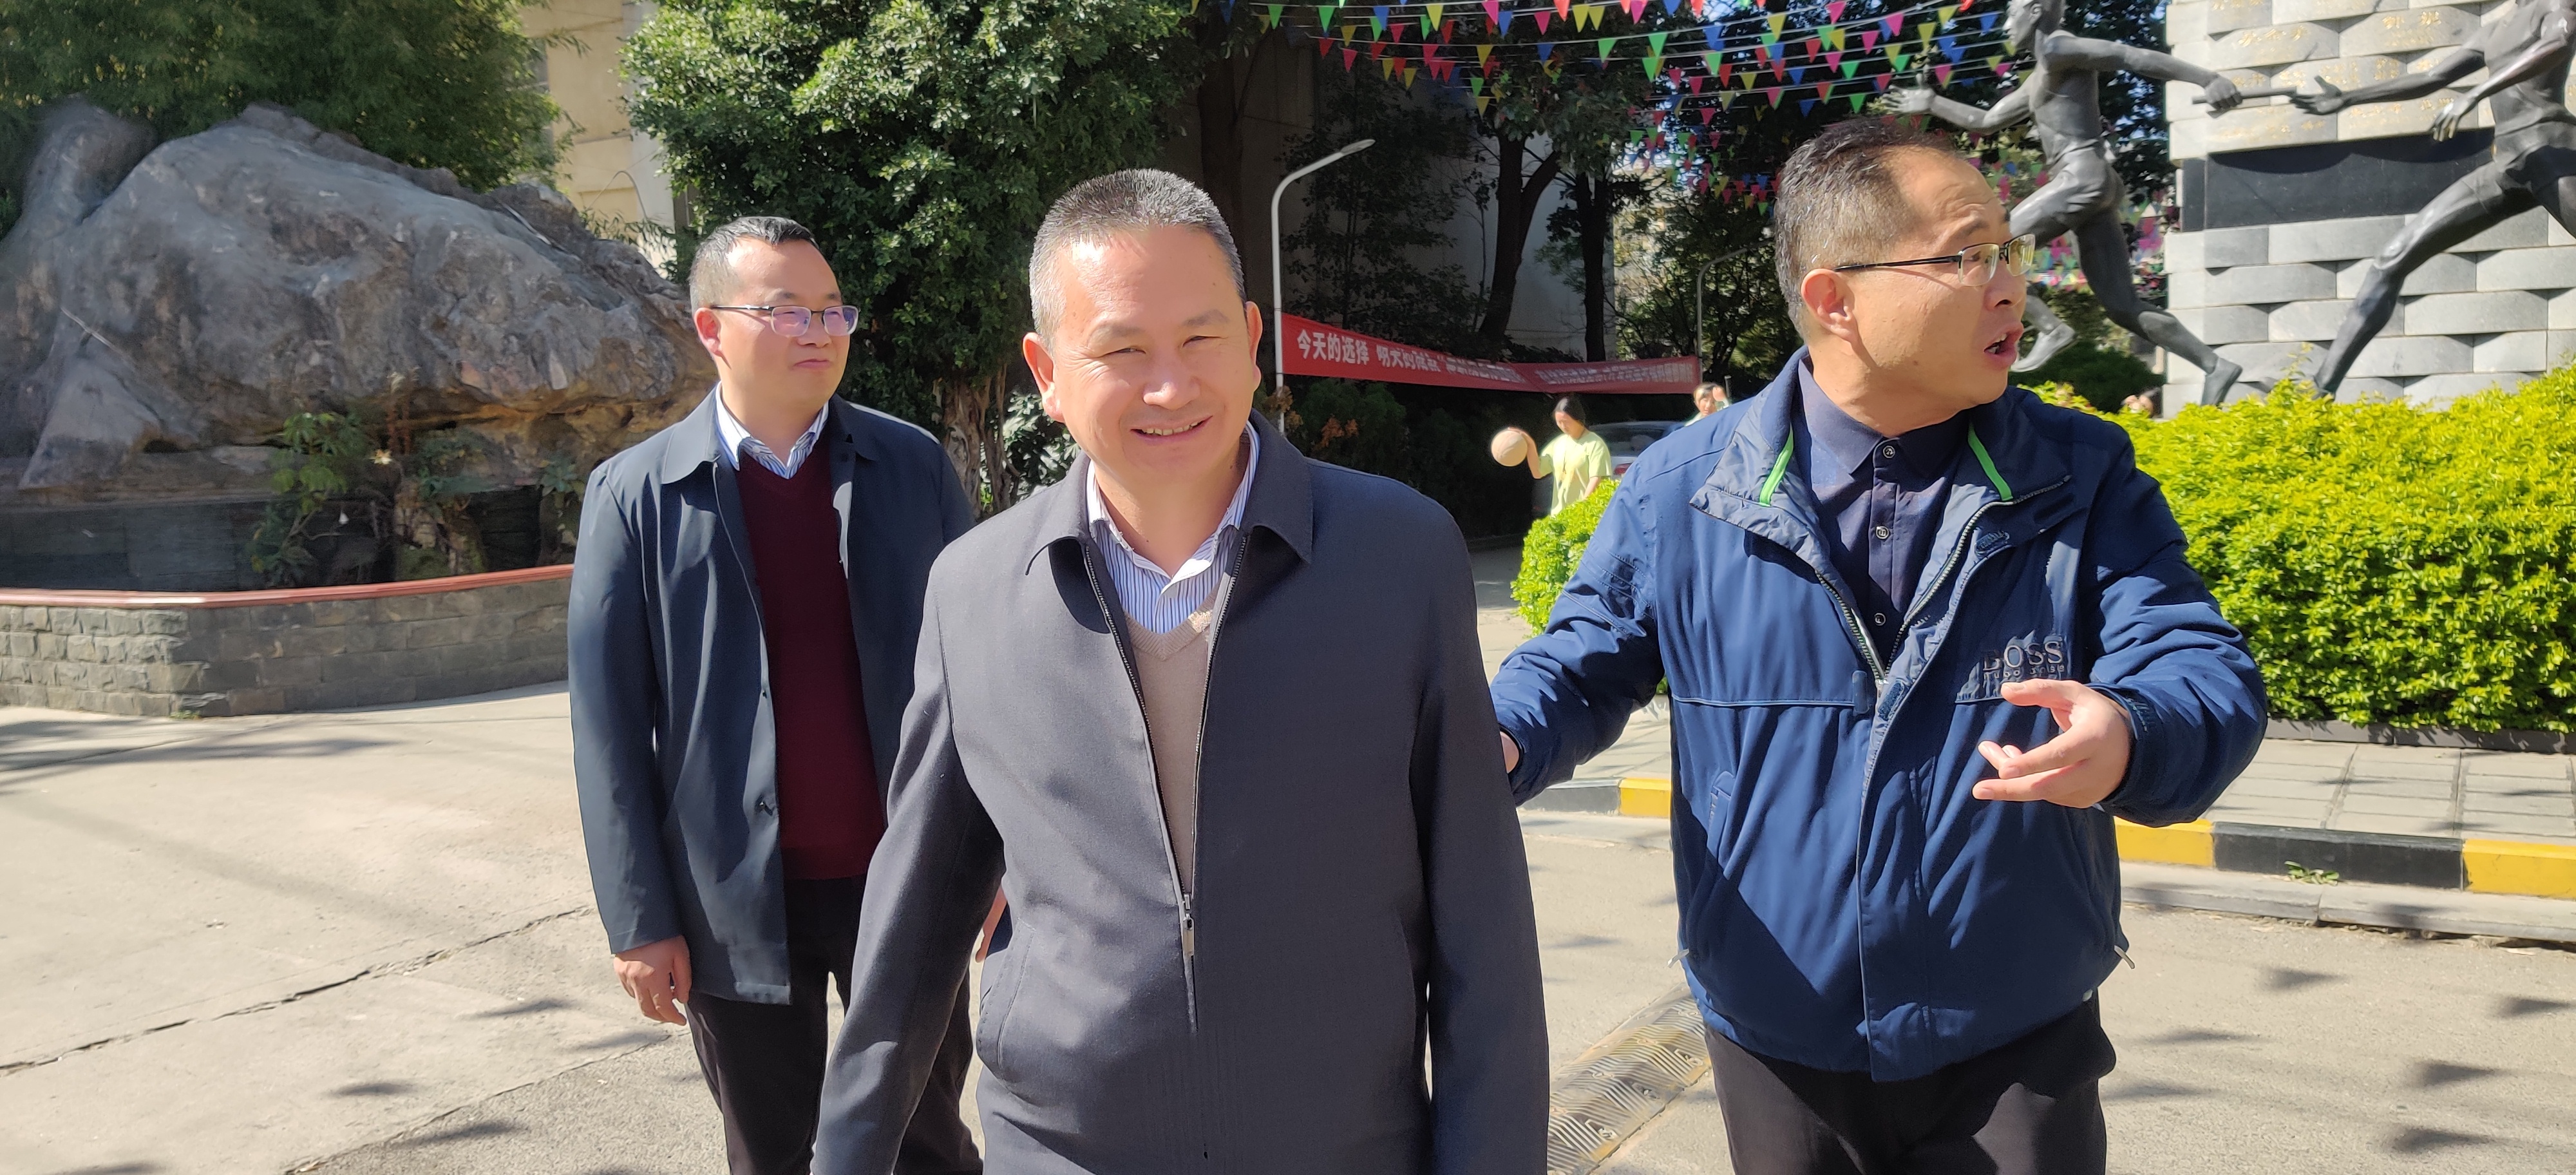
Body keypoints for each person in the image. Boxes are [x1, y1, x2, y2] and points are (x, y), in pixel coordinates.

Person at [1488, 120, 2267, 1175]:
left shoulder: (2079, 476)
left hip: (2015, 1028)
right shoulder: (1685, 490)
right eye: (1965, 256)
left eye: (2008, 250)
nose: (2010, 286)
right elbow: (1582, 660)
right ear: (1835, 300)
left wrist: (2133, 732)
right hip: (1778, 1027)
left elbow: (2196, 661)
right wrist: (1499, 736)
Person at [813, 169, 1547, 1174]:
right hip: (1063, 1148)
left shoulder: (1398, 557)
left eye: (1201, 340)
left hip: (1343, 1144)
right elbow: (911, 935)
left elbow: (1484, 922)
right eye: (1121, 350)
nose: (1169, 387)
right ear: (1047, 372)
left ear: (1251, 340)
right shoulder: (974, 591)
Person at [567, 216, 982, 1175]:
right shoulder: (636, 494)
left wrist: (1001, 854)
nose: (820, 332)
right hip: (731, 896)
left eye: (832, 311)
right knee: (770, 1151)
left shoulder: (909, 466)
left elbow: (983, 673)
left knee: (926, 1139)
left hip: (904, 879)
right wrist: (639, 919)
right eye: (787, 311)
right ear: (712, 329)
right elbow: (608, 725)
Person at [1895, 0, 2247, 407]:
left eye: (2010, 13)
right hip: (2091, 183)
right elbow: (1987, 121)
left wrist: (2209, 79)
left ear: (2034, 11)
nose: (2005, 25)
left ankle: (2051, 328)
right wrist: (1932, 103)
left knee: (1993, 251)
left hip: (2081, 177)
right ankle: (2215, 365)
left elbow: (2129, 56)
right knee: (2122, 307)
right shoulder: (2043, 72)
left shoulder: (2059, 47)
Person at [2290, 0, 2575, 393]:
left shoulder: (2556, 5)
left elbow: (2558, 44)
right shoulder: (2494, 30)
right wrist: (2350, 98)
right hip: (2509, 165)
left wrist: (2476, 93)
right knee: (2390, 260)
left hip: (2553, 150)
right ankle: (2320, 392)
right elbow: (2432, 77)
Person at [1503, 395, 1615, 515]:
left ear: (1578, 419)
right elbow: (1537, 472)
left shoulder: (1596, 444)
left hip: (1585, 516)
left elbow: (1596, 479)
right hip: (1559, 515)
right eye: (1559, 422)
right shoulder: (1558, 443)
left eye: (1566, 422)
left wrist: (1581, 509)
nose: (1563, 426)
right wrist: (1529, 444)